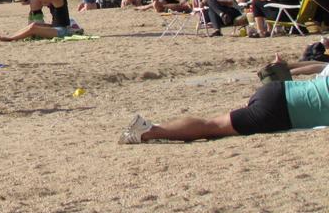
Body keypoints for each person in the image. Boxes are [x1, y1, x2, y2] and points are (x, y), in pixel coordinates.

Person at [118, 60, 329, 144]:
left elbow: (321, 66)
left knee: (213, 124)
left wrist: (290, 67)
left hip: (279, 90)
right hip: (280, 111)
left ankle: (157, 130)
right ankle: (148, 131)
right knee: (211, 128)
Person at [0, 0, 76, 41]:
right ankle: (13, 36)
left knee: (33, 29)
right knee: (33, 25)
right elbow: (42, 1)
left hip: (61, 31)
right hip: (56, 27)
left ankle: (11, 38)